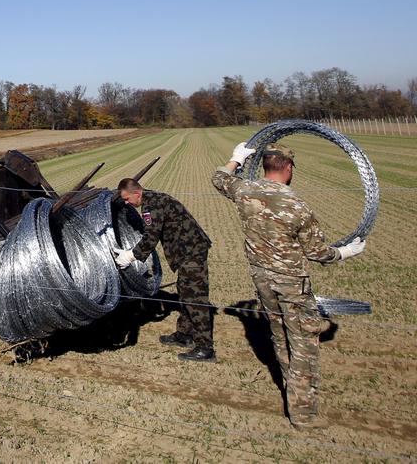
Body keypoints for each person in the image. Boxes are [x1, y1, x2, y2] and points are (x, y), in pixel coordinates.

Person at [213, 141, 365, 429]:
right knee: (304, 342)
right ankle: (303, 414)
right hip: (291, 283)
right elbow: (318, 252)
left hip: (261, 279)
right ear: (288, 167)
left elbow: (219, 178)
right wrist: (345, 252)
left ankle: (289, 390)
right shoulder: (296, 205)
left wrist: (236, 158)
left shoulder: (246, 191)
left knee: (280, 334)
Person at [114, 177, 215, 362]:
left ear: (137, 193)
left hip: (191, 251)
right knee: (185, 292)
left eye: (127, 199)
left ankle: (205, 348)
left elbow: (150, 238)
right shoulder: (154, 198)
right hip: (186, 250)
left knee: (195, 298)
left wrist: (130, 256)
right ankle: (184, 334)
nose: (127, 203)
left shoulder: (151, 206)